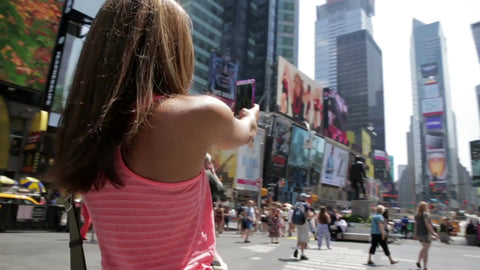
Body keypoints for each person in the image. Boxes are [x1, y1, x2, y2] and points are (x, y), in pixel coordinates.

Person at [49, 1, 259, 268]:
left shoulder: (84, 131)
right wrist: (250, 115)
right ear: (175, 51)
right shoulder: (200, 114)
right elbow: (244, 133)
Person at [414, 201, 438, 270]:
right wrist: (433, 232)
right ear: (426, 207)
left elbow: (415, 225)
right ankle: (422, 265)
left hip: (419, 233)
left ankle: (422, 264)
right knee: (426, 250)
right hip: (426, 233)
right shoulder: (426, 214)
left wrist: (415, 234)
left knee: (424, 249)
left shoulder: (417, 215)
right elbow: (427, 224)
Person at [293, 193, 313, 260]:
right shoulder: (306, 205)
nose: (307, 199)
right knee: (304, 238)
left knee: (299, 237)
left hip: (298, 222)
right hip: (304, 222)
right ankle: (302, 254)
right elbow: (308, 215)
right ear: (304, 198)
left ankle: (296, 248)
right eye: (306, 198)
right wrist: (311, 215)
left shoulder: (296, 204)